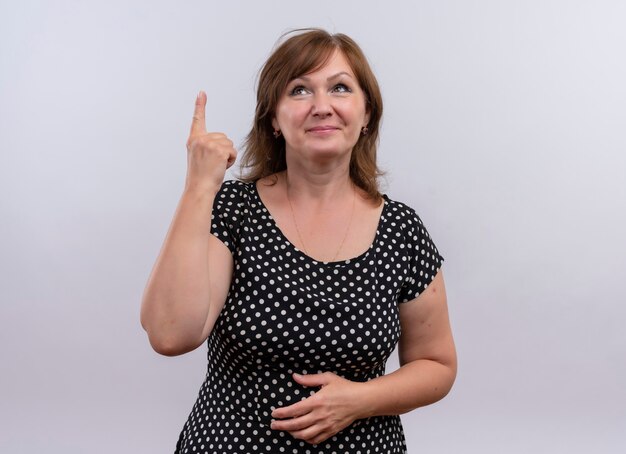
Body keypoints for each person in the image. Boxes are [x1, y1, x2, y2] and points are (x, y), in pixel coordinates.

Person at [141, 28, 456, 454]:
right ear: (274, 118)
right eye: (300, 90)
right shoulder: (234, 209)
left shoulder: (402, 231)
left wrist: (359, 400)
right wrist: (200, 185)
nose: (321, 106)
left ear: (366, 115)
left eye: (340, 88)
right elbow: (169, 335)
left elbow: (436, 365)